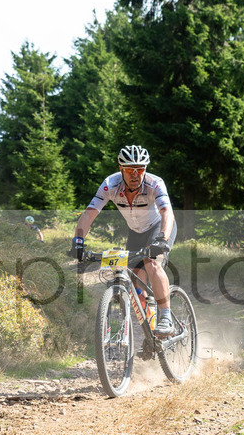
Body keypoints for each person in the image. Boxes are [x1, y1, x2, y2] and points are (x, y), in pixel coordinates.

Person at [70, 144, 177, 337]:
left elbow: (167, 212)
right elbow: (89, 214)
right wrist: (78, 241)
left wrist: (162, 239)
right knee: (135, 279)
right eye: (129, 170)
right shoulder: (110, 184)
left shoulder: (155, 183)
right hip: (136, 232)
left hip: (160, 227)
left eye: (140, 169)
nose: (135, 174)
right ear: (121, 169)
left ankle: (166, 317)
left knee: (151, 263)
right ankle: (151, 331)